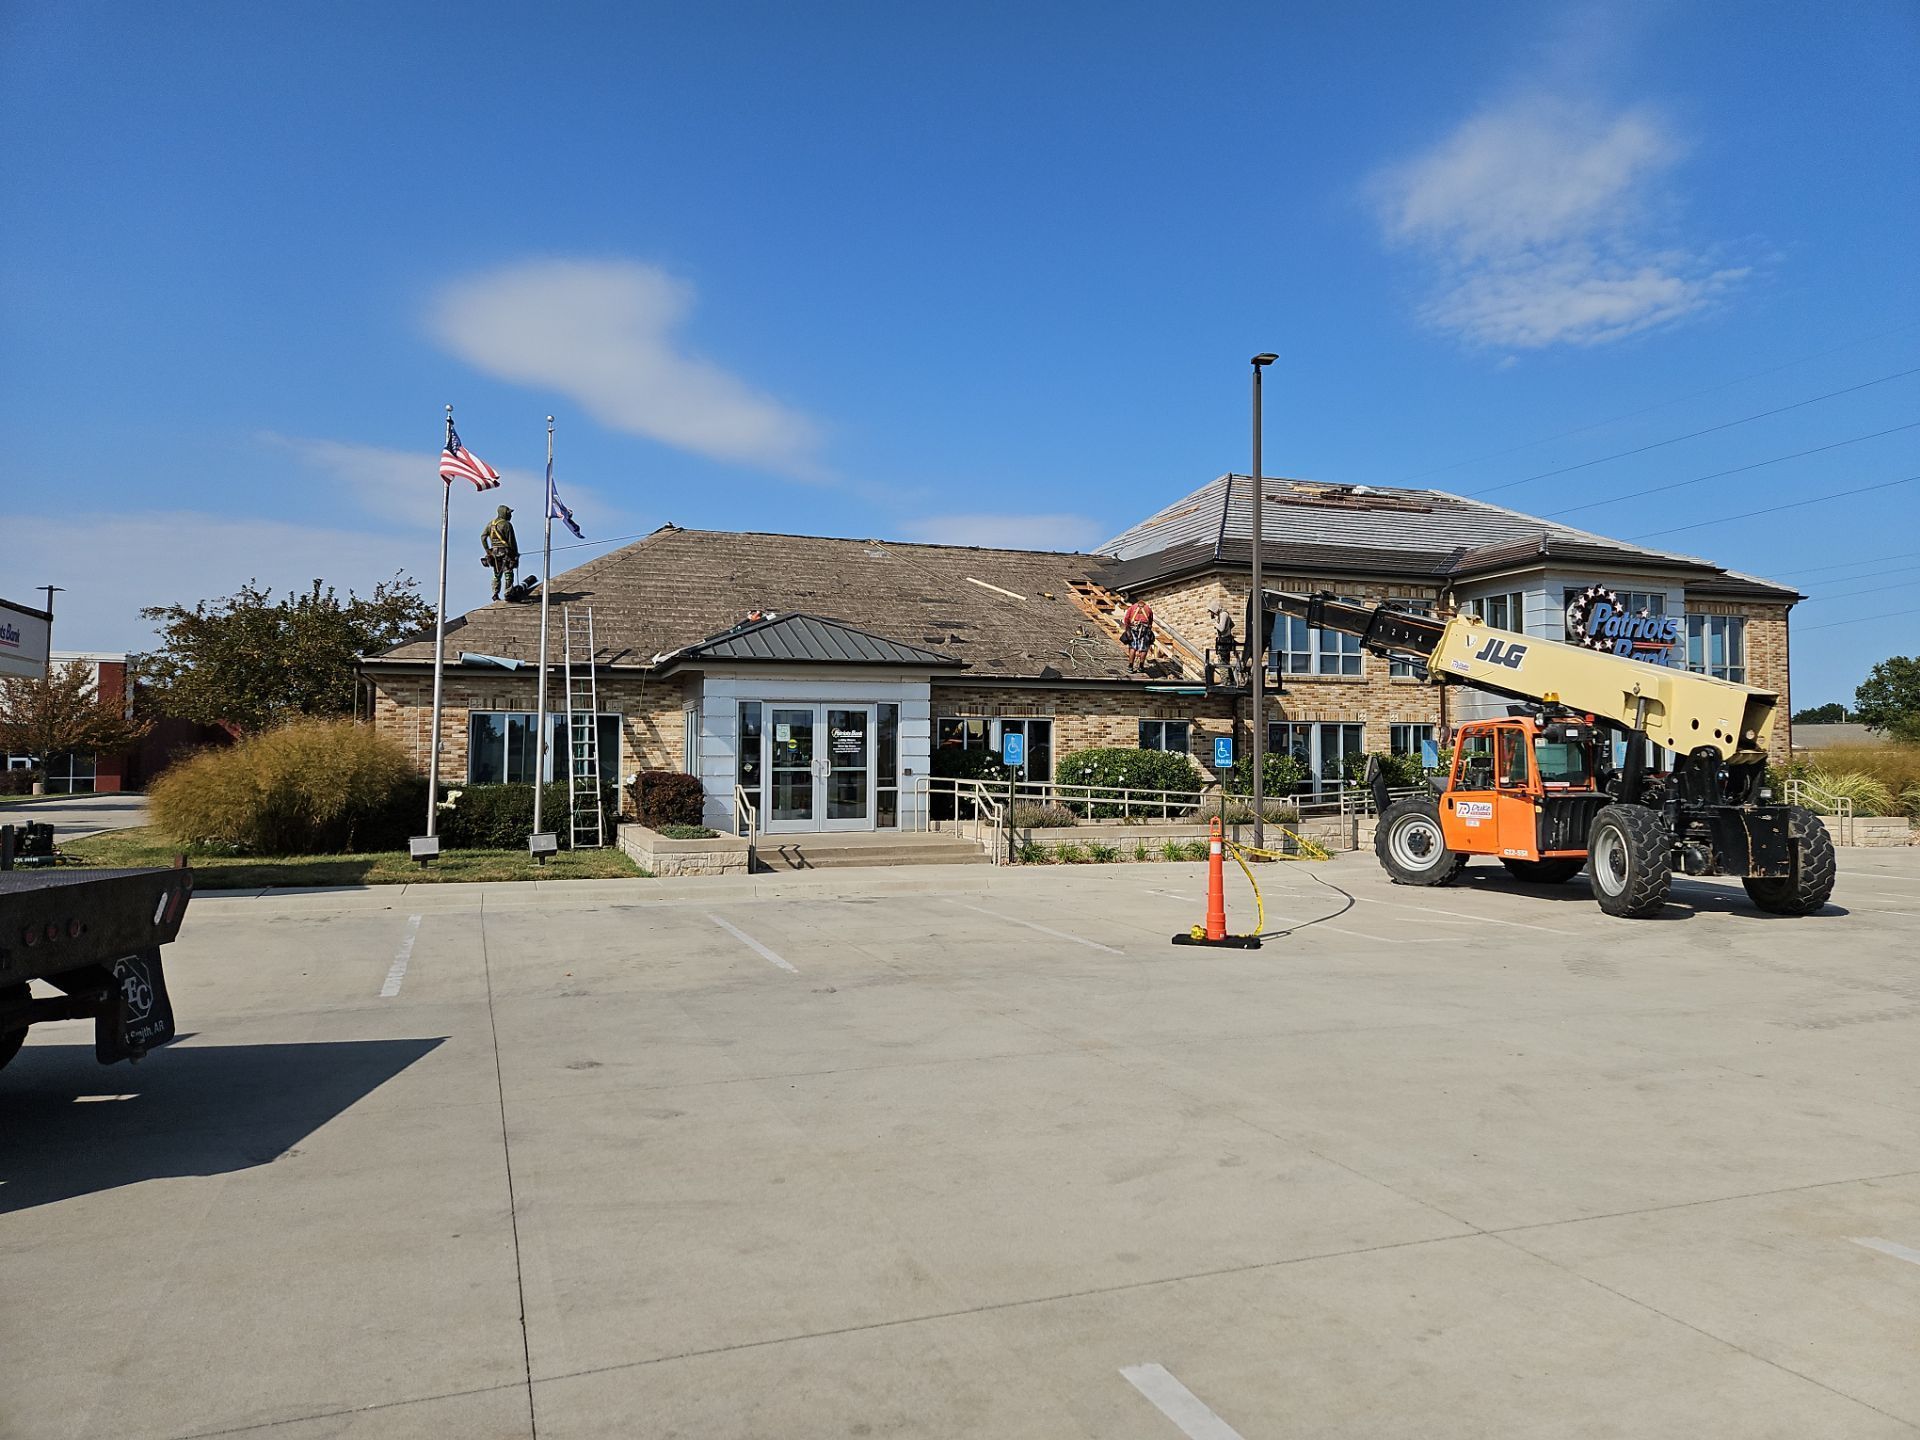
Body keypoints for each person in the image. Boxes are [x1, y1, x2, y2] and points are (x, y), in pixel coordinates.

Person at [481, 505, 520, 601]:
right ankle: (508, 593)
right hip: (506, 553)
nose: (510, 515)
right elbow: (512, 541)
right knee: (508, 572)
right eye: (509, 513)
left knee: (496, 573)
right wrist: (515, 554)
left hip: (494, 554)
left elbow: (483, 537)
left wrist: (487, 550)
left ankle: (495, 593)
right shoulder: (507, 525)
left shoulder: (491, 524)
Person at [1122, 598, 1154, 673]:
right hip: (1145, 629)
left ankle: (1130, 666)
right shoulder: (1148, 609)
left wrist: (1127, 628)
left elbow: (1126, 618)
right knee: (1144, 648)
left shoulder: (1132, 607)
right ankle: (1141, 667)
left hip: (1134, 628)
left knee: (1133, 647)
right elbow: (1151, 620)